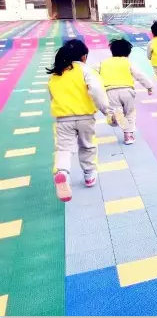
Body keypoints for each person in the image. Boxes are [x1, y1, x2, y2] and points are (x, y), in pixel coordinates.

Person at [47, 39, 113, 202]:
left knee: (63, 149)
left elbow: (52, 97)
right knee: (87, 146)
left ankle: (62, 172)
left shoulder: (56, 75)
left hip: (63, 119)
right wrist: (106, 110)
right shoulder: (85, 70)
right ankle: (89, 174)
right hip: (85, 117)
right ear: (84, 56)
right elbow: (96, 90)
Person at [95, 38, 154, 145]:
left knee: (113, 113)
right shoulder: (127, 62)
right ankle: (128, 136)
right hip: (127, 91)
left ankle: (114, 117)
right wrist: (149, 87)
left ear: (112, 51)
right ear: (128, 53)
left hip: (110, 91)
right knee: (130, 113)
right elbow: (139, 75)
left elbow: (91, 72)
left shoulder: (103, 63)